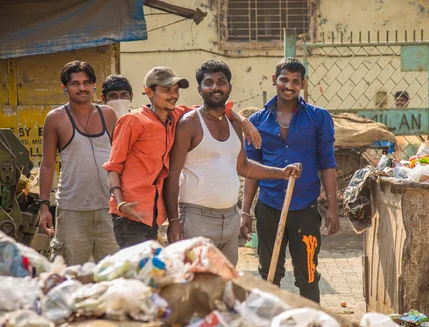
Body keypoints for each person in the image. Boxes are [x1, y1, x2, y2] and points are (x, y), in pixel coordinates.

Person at [104, 66, 262, 249]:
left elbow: (215, 108)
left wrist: (243, 121)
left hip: (153, 215)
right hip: (130, 215)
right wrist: (121, 202)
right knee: (136, 271)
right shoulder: (133, 121)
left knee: (149, 272)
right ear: (149, 92)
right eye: (166, 90)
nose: (173, 95)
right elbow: (113, 166)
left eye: (175, 90)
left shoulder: (176, 116)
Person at [163, 60, 301, 266]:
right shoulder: (189, 123)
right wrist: (174, 220)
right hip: (195, 218)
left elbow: (243, 166)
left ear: (229, 87)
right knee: (196, 287)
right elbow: (172, 176)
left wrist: (281, 173)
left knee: (225, 285)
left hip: (230, 219)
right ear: (199, 89)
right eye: (208, 82)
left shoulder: (235, 125)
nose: (215, 87)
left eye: (221, 82)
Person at [240, 58, 340, 303]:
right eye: (284, 79)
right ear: (275, 80)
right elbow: (251, 170)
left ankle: (313, 324)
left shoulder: (319, 118)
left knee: (307, 274)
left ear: (303, 84)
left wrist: (333, 209)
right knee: (269, 273)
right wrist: (245, 212)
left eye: (296, 81)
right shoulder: (257, 122)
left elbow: (327, 163)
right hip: (269, 206)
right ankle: (270, 325)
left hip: (305, 208)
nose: (289, 85)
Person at [39, 60, 119, 265]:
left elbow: (120, 159)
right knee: (69, 275)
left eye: (86, 82)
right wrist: (44, 206)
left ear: (94, 85)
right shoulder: (55, 118)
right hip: (72, 210)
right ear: (64, 87)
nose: (82, 88)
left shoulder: (108, 114)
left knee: (115, 273)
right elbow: (47, 165)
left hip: (108, 209)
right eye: (75, 83)